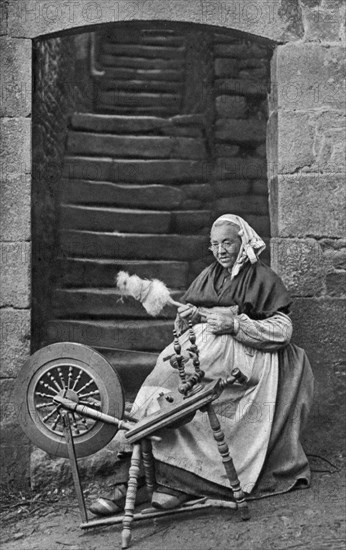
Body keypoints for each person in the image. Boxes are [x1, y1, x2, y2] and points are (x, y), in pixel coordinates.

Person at [90, 214, 314, 515]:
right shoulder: (208, 275)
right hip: (198, 353)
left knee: (190, 399)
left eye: (227, 243)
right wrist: (188, 317)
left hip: (245, 360)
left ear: (243, 242)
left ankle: (181, 482)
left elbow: (283, 330)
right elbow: (185, 322)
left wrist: (235, 323)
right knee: (159, 386)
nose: (220, 250)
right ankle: (135, 476)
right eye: (214, 245)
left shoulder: (263, 278)